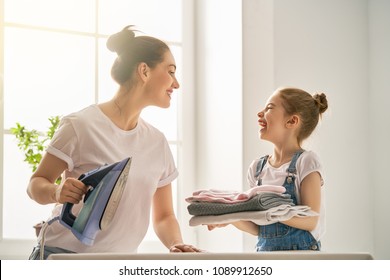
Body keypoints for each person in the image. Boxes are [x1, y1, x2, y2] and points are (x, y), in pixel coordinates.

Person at [27, 25, 201, 259]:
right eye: (170, 71)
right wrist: (56, 191)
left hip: (119, 262)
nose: (176, 83)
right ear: (144, 71)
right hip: (62, 255)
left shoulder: (157, 142)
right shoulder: (80, 125)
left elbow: (164, 216)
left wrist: (176, 243)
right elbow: (36, 183)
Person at [207, 87, 328, 251]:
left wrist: (271, 211)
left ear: (291, 121)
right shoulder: (257, 169)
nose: (260, 113)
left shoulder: (306, 162)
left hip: (302, 258)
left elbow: (311, 220)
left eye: (269, 108)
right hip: (266, 258)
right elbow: (258, 228)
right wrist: (231, 217)